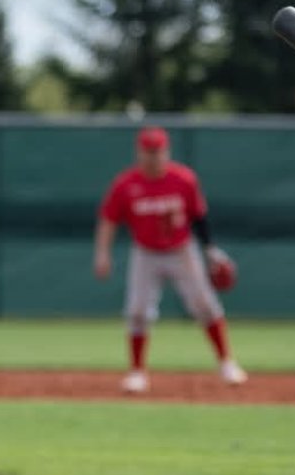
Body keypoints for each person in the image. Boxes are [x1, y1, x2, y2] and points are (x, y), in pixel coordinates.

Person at [94, 126, 247, 394]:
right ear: (139, 152)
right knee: (138, 311)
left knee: (205, 305)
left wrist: (210, 249)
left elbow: (199, 217)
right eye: (148, 151)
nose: (153, 157)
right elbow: (109, 219)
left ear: (166, 151)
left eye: (158, 151)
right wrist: (102, 253)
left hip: (181, 250)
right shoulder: (126, 184)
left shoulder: (183, 179)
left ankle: (227, 363)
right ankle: (137, 372)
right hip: (145, 253)